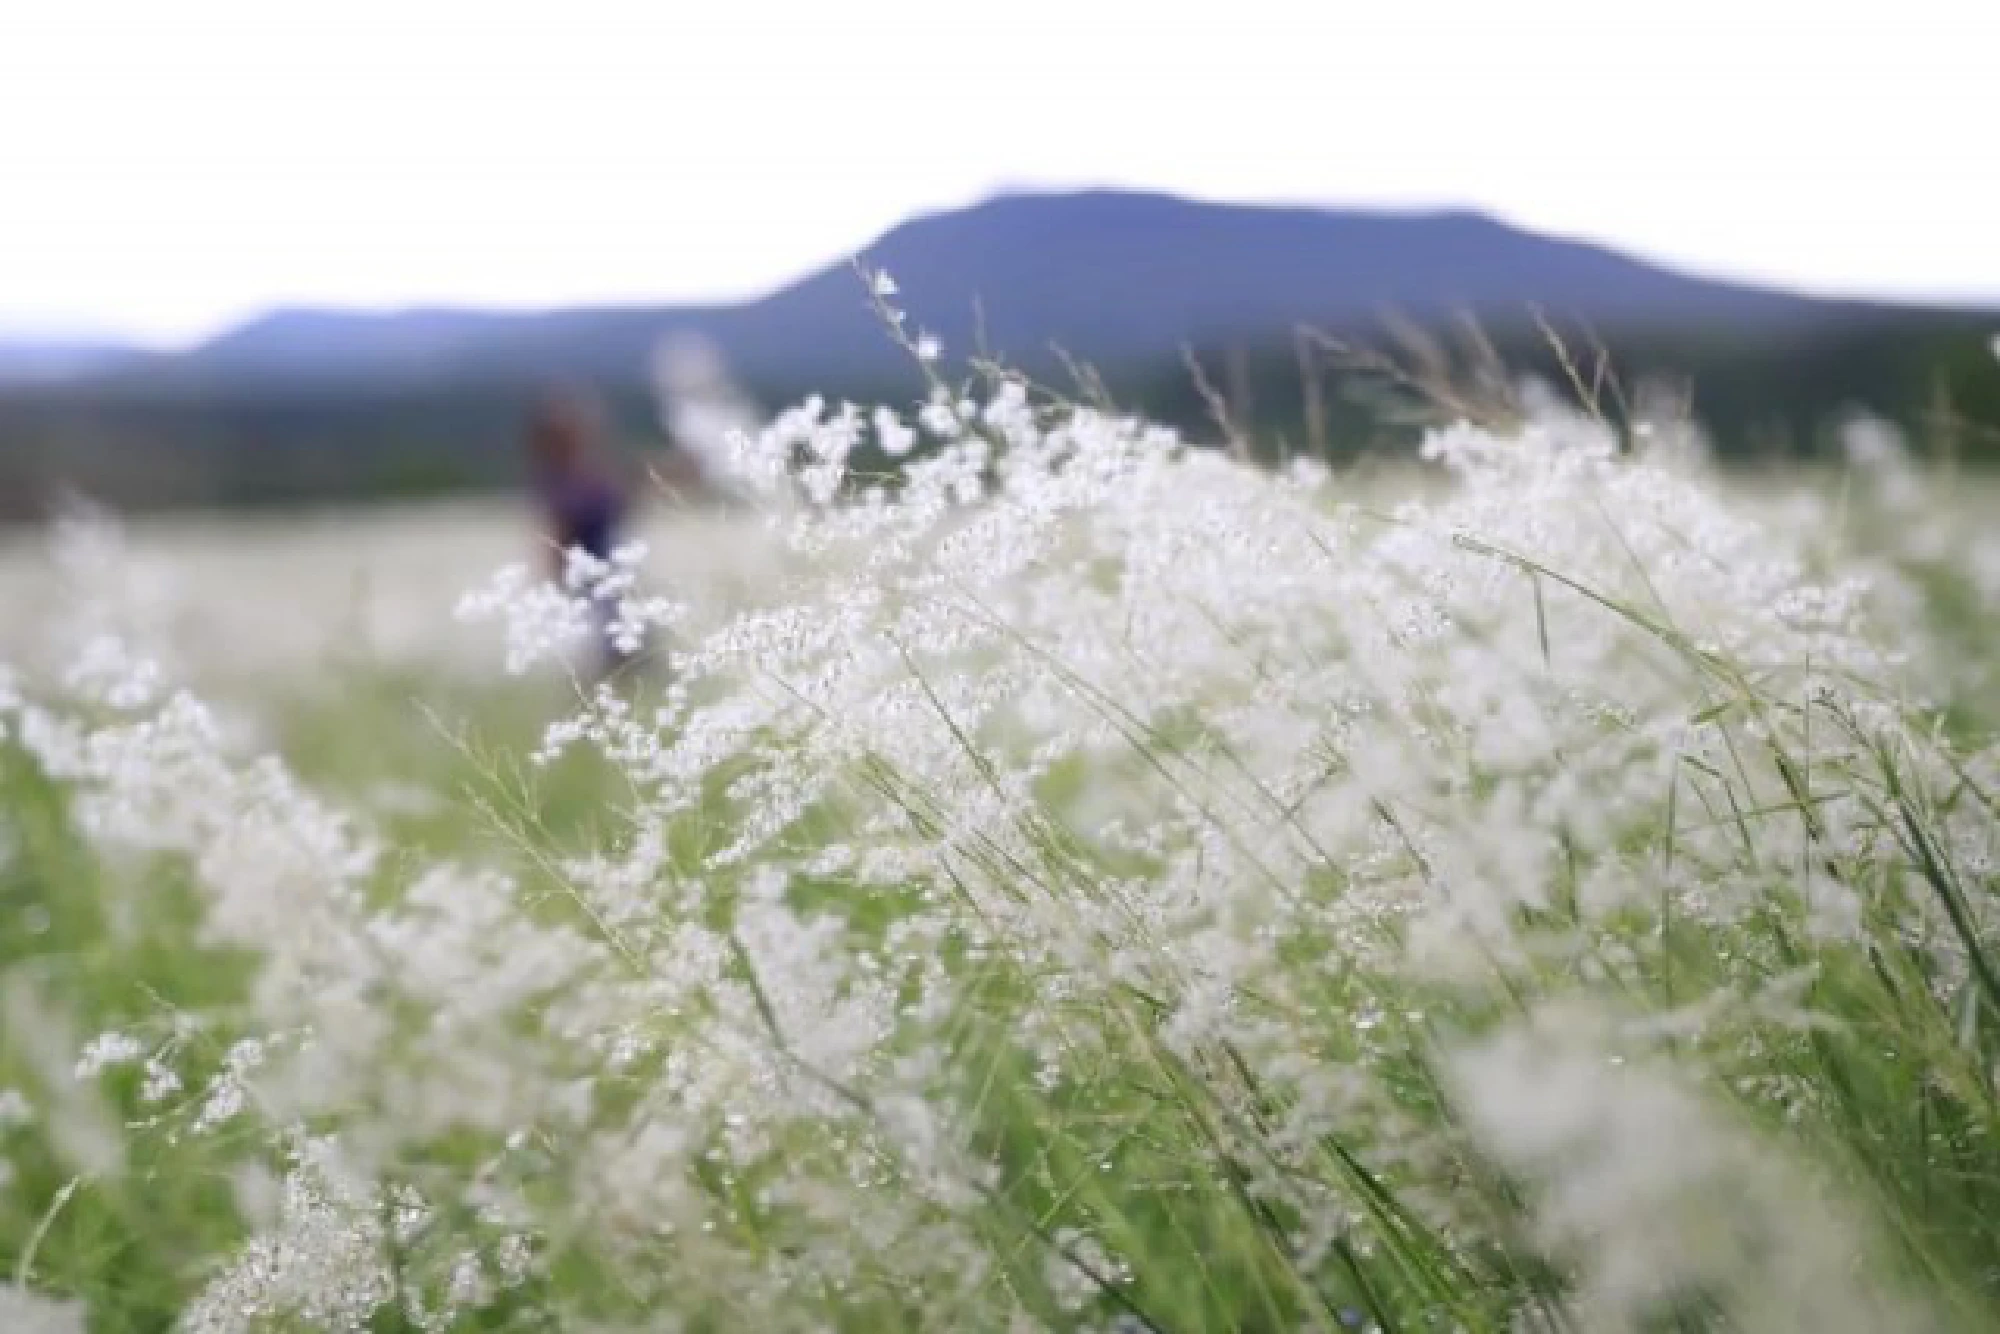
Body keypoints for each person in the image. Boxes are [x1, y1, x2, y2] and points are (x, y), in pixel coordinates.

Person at [524, 385, 638, 680]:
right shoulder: (560, 484)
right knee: (607, 664)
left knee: (623, 661)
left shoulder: (592, 472)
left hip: (614, 578)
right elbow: (554, 538)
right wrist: (558, 592)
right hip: (591, 584)